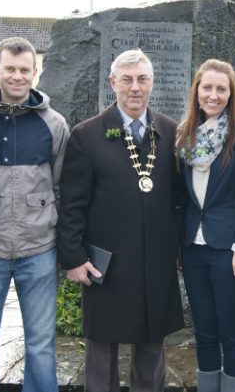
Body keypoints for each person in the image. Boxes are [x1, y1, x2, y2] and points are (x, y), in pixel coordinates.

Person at [58, 49, 185, 392]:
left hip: (154, 263)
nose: (134, 87)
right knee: (101, 353)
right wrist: (73, 257)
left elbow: (179, 201)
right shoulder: (87, 135)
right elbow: (71, 203)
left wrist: (177, 248)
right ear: (113, 82)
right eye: (127, 79)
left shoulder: (171, 132)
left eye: (142, 79)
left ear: (152, 84)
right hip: (105, 264)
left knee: (151, 348)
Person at [0, 37, 69, 392]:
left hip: (38, 249)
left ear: (35, 72)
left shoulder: (55, 125)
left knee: (40, 345)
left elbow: (61, 188)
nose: (17, 76)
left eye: (25, 70)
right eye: (9, 68)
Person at [175, 59, 235, 392]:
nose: (213, 95)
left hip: (230, 250)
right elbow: (183, 199)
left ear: (231, 93)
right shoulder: (185, 133)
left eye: (221, 89)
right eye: (207, 87)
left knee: (231, 331)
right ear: (196, 91)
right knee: (204, 331)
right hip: (193, 248)